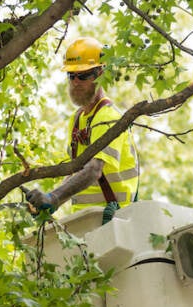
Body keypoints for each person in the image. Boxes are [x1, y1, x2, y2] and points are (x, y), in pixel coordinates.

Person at [25, 37, 139, 223]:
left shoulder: (108, 117)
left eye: (84, 75)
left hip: (113, 218)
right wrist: (48, 202)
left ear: (100, 73)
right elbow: (75, 171)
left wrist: (53, 198)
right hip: (85, 220)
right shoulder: (77, 119)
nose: (76, 81)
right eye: (71, 75)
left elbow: (94, 170)